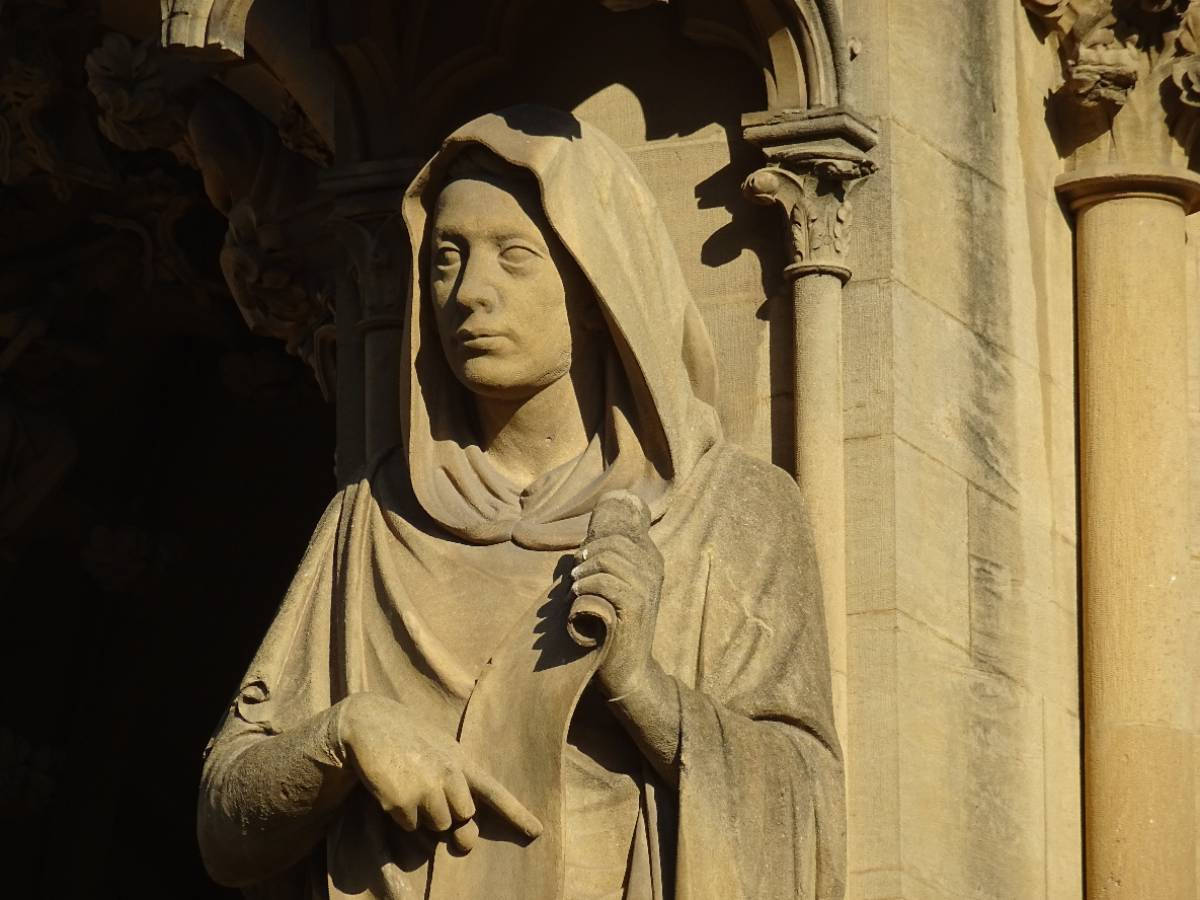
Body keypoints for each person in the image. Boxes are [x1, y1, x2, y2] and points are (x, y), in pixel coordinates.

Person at [197, 104, 845, 900]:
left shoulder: (729, 511)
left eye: (514, 257)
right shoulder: (370, 522)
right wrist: (344, 735)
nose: (469, 294)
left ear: (597, 277)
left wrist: (641, 686)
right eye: (444, 260)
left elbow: (808, 811)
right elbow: (226, 829)